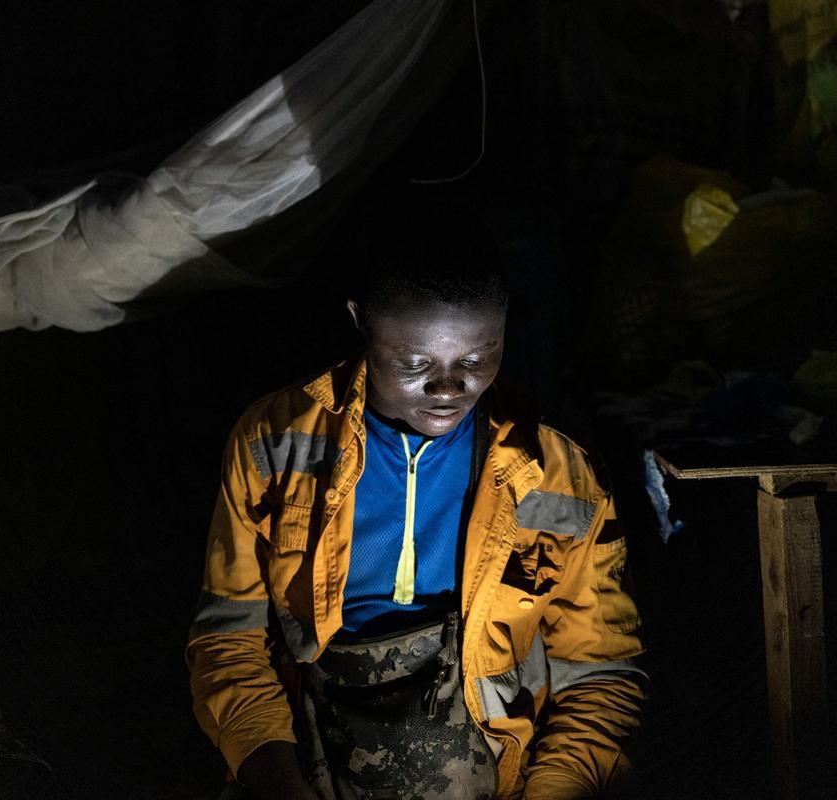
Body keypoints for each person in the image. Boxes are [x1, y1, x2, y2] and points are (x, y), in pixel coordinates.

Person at [186, 201, 646, 799]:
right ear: (361, 323)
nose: (449, 389)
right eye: (415, 364)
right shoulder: (275, 444)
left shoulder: (561, 476)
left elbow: (599, 673)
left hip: (494, 772)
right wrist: (279, 783)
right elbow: (230, 638)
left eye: (477, 360)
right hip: (302, 763)